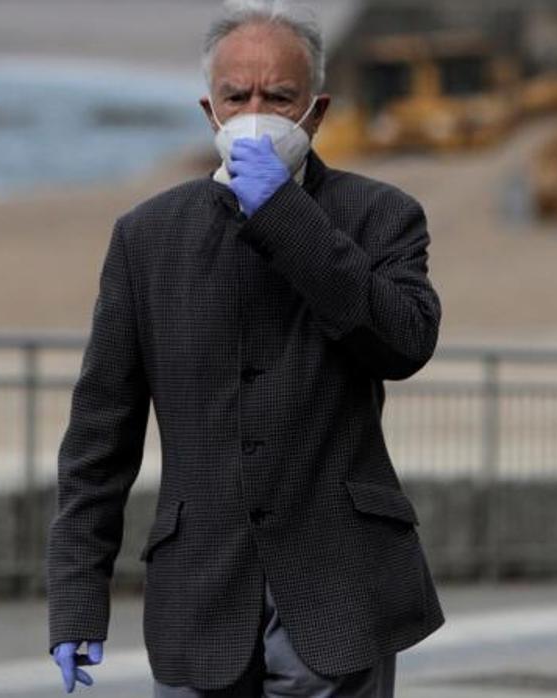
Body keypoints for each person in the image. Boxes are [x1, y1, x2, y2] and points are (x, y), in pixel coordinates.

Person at [45, 1, 443, 695]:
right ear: (211, 110)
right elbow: (98, 436)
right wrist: (78, 594)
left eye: (278, 97)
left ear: (315, 113)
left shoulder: (381, 215)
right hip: (198, 595)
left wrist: (286, 216)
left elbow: (405, 342)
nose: (255, 111)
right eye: (238, 96)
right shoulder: (147, 238)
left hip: (337, 593)